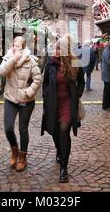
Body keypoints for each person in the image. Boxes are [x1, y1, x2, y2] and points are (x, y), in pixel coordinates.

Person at [42, 35, 85, 183]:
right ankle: (59, 151)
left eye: (59, 48)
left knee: (63, 130)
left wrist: (76, 96)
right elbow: (45, 83)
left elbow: (81, 83)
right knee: (55, 132)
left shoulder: (75, 63)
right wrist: (46, 96)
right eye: (56, 47)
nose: (56, 50)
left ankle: (64, 168)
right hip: (53, 103)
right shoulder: (50, 64)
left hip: (68, 103)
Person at [0, 36, 41, 172]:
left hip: (26, 101)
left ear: (24, 48)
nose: (15, 48)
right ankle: (14, 151)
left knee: (23, 129)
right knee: (8, 128)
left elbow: (37, 79)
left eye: (18, 46)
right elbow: (2, 72)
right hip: (10, 98)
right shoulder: (8, 58)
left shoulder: (31, 60)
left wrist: (28, 92)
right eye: (14, 45)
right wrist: (13, 59)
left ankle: (22, 157)